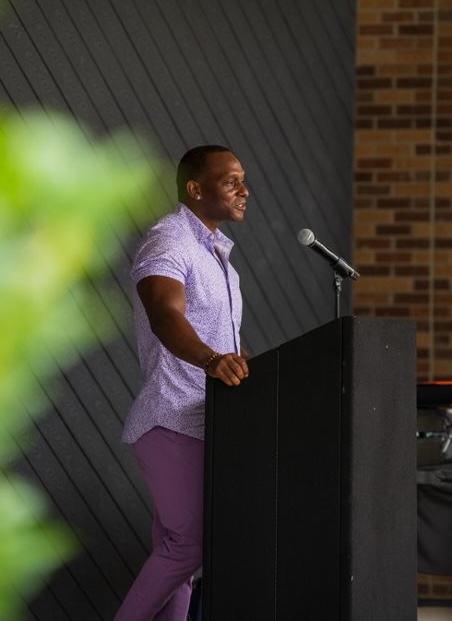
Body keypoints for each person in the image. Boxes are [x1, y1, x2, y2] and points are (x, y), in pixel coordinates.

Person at [115, 145, 250, 621]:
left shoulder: (218, 258)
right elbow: (164, 314)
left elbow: (210, 333)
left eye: (243, 180)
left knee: (178, 556)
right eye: (231, 180)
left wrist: (231, 361)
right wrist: (212, 359)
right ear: (195, 188)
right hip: (173, 418)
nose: (244, 190)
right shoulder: (169, 240)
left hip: (204, 422)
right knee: (189, 545)